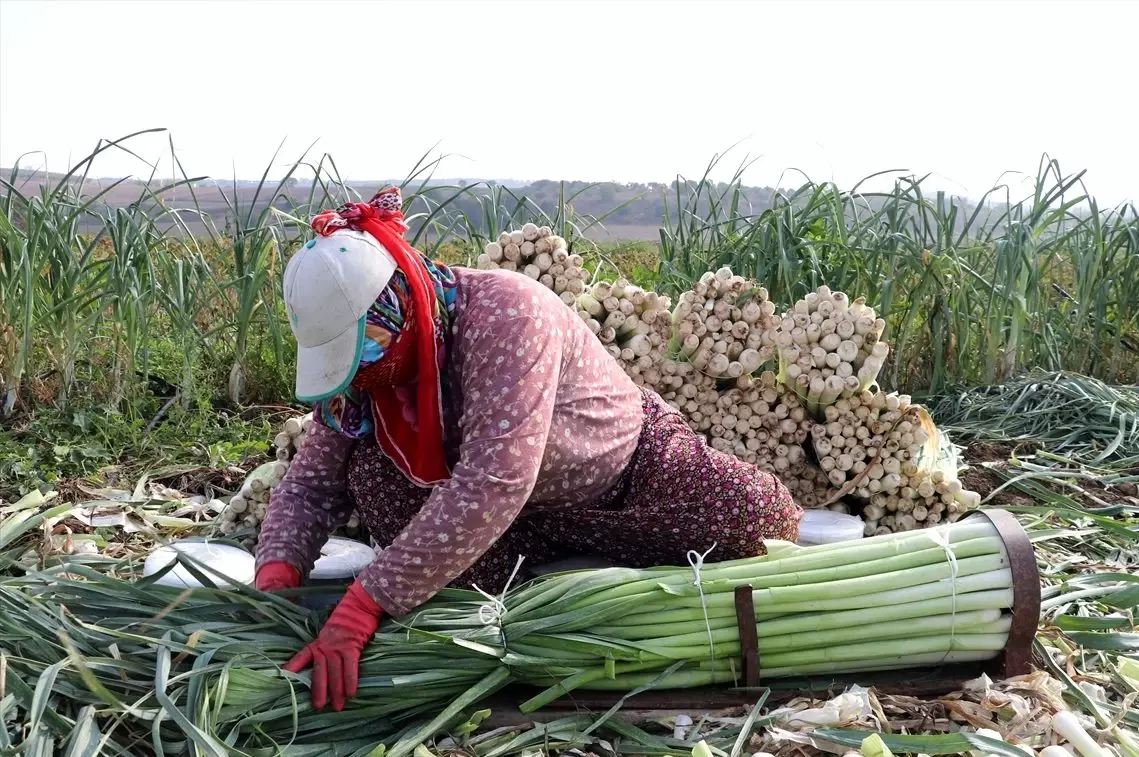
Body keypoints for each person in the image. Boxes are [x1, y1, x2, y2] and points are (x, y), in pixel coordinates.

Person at [256, 188, 802, 711]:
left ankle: (559, 569)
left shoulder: (505, 313)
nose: (364, 378)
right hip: (502, 522)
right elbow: (310, 483)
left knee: (758, 521)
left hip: (624, 477)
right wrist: (275, 576)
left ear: (402, 312)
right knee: (373, 472)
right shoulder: (368, 376)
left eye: (370, 359)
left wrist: (362, 605)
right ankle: (513, 590)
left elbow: (496, 478)